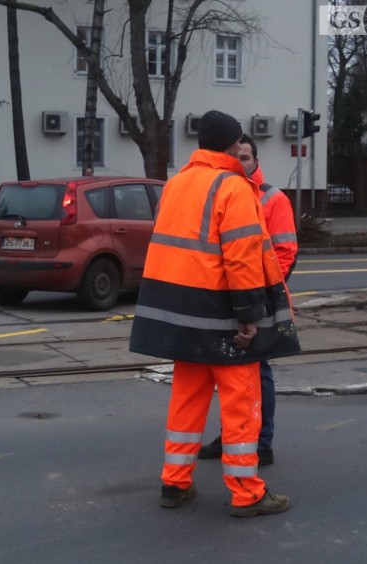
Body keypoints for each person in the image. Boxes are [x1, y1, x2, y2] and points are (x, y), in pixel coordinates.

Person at [128, 110, 301, 517]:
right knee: (241, 402)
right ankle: (247, 493)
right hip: (219, 315)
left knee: (186, 401)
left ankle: (175, 482)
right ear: (231, 144)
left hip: (179, 312)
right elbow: (241, 256)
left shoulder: (177, 183)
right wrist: (248, 316)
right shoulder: (235, 188)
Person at [198, 133, 298, 467]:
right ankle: (233, 435)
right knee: (233, 374)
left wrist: (263, 295)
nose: (239, 162)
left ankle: (262, 442)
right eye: (235, 156)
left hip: (259, 299)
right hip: (230, 299)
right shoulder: (224, 192)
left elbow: (284, 252)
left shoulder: (272, 199)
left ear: (256, 162)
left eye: (246, 157)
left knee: (259, 370)